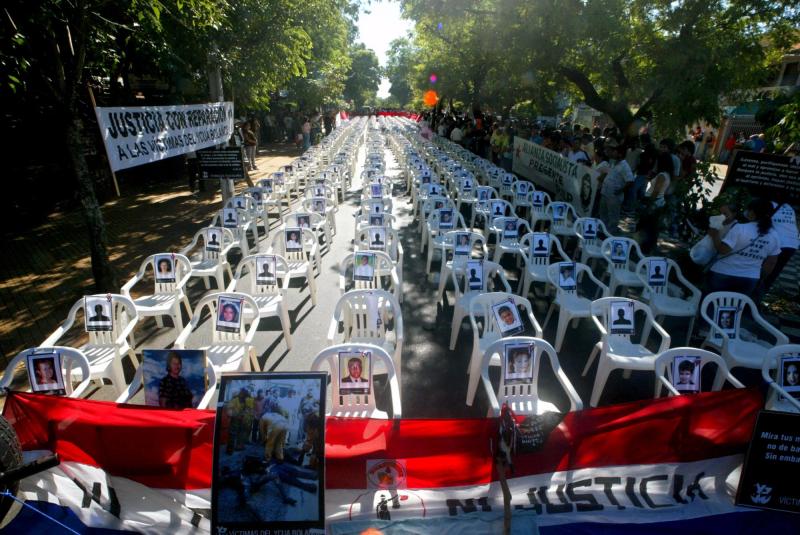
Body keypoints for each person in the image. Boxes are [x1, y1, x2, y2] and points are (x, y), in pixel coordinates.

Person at [707, 198, 781, 297]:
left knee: (711, 306)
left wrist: (715, 235)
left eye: (749, 210)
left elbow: (723, 250)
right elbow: (771, 262)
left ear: (752, 213)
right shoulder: (774, 235)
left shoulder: (740, 228)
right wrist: (759, 277)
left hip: (723, 273)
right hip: (749, 279)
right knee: (734, 309)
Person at [760, 202, 798, 295]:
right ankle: (761, 293)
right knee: (775, 271)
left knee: (763, 268)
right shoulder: (789, 206)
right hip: (793, 243)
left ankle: (755, 292)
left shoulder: (768, 204)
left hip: (778, 241)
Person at [597, 139, 634, 233]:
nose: (610, 153)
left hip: (614, 196)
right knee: (603, 214)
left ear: (618, 153)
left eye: (612, 151)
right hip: (605, 192)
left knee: (613, 217)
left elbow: (630, 181)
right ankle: (602, 232)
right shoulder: (612, 162)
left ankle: (610, 234)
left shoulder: (624, 166)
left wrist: (620, 190)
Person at [259, 388, 291, 462]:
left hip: (276, 424)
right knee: (279, 442)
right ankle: (280, 458)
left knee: (270, 442)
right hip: (284, 424)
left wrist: (264, 439)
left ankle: (267, 458)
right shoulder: (275, 407)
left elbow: (262, 431)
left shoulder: (263, 418)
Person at [226, 388, 254, 454]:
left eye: (246, 396)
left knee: (241, 434)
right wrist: (236, 415)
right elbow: (229, 411)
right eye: (244, 396)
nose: (245, 397)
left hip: (242, 420)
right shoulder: (234, 400)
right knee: (232, 435)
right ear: (241, 394)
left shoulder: (245, 401)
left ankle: (239, 447)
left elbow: (249, 408)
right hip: (235, 420)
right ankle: (229, 450)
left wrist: (245, 413)